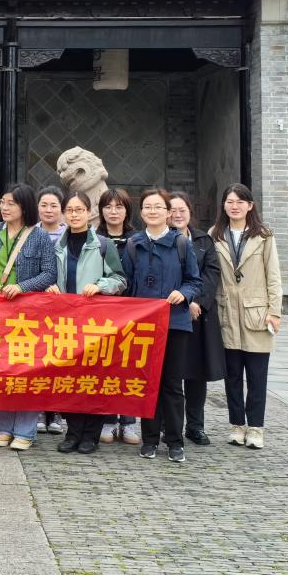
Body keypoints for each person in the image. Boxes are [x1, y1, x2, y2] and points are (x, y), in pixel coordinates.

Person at [121, 188, 202, 463]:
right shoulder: (133, 245)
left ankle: (175, 442)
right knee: (147, 383)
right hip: (143, 326)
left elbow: (194, 280)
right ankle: (150, 439)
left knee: (172, 384)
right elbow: (126, 285)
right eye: (147, 207)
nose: (152, 211)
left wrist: (184, 293)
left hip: (175, 323)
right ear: (141, 212)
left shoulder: (181, 244)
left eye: (158, 207)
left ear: (168, 213)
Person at [0, 183, 57, 451]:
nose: (5, 207)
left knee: (27, 371)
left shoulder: (39, 235)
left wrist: (22, 287)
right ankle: (3, 428)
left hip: (28, 314)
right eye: (3, 202)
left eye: (11, 203)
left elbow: (49, 273)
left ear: (25, 206)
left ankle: (25, 431)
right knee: (1, 370)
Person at [50, 191, 127, 455]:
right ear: (64, 214)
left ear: (88, 212)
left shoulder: (103, 244)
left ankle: (90, 436)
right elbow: (49, 275)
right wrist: (50, 286)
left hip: (96, 323)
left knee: (94, 380)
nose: (74, 215)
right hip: (65, 322)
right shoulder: (57, 246)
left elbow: (120, 279)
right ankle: (72, 433)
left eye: (79, 210)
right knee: (70, 380)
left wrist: (100, 285)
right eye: (70, 210)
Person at [209, 184, 282, 450]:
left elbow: (273, 276)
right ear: (224, 205)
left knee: (257, 377)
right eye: (230, 201)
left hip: (257, 315)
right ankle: (236, 426)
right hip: (227, 313)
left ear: (250, 205)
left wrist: (274, 311)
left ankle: (256, 428)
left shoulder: (263, 236)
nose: (235, 206)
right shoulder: (215, 235)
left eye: (240, 201)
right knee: (232, 378)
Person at [169, 192, 226, 446]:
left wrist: (197, 301)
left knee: (196, 375)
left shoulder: (203, 240)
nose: (177, 215)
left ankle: (195, 426)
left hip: (198, 317)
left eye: (182, 210)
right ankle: (169, 426)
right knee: (171, 375)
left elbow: (212, 272)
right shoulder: (161, 239)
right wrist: (184, 299)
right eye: (172, 210)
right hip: (172, 314)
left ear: (190, 212)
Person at [97, 187, 140, 447]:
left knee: (130, 367)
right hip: (102, 314)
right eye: (108, 206)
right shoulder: (95, 239)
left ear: (127, 211)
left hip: (133, 312)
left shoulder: (138, 240)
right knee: (105, 367)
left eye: (119, 207)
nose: (113, 212)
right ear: (101, 211)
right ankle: (108, 419)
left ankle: (129, 421)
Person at [34, 186, 67, 436]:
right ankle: (36, 409)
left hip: (64, 305)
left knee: (60, 359)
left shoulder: (71, 234)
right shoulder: (30, 233)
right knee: (37, 358)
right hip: (35, 304)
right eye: (44, 205)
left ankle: (55, 410)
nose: (48, 210)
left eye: (54, 205)